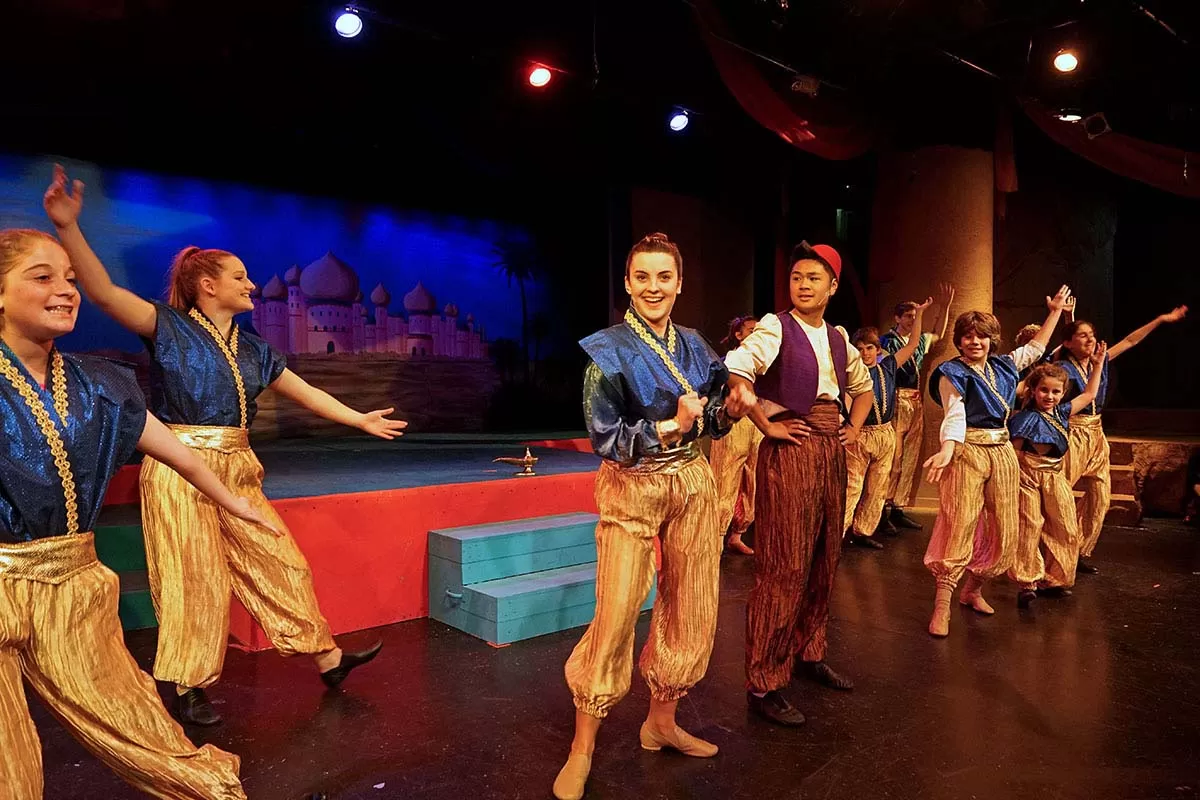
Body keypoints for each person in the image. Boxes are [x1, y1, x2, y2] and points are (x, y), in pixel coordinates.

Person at [44, 166, 407, 727]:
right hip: (179, 464)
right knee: (193, 577)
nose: (251, 284)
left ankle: (327, 658)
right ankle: (188, 684)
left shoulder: (254, 349)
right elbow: (104, 293)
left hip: (238, 463)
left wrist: (358, 418)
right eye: (240, 277)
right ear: (208, 286)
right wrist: (68, 228)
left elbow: (306, 392)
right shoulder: (168, 326)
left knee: (280, 559)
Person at [0, 227, 260, 799]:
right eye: (42, 277)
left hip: (73, 585)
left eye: (70, 279)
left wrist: (234, 502)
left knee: (139, 724)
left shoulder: (99, 384)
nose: (65, 290)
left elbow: (175, 451)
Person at [553, 233, 735, 800]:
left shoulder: (696, 345)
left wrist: (729, 409)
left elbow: (713, 415)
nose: (653, 287)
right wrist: (671, 425)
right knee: (617, 609)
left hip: (692, 481)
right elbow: (605, 437)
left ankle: (660, 723)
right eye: (642, 277)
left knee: (692, 604)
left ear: (679, 284)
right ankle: (582, 746)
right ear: (628, 285)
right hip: (632, 484)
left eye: (663, 277)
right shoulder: (606, 352)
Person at [725, 241, 873, 726]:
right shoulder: (776, 327)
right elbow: (738, 372)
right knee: (784, 564)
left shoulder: (838, 337)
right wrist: (765, 425)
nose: (803, 285)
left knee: (825, 557)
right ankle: (763, 681)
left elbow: (864, 387)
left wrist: (854, 428)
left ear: (832, 286)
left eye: (813, 278)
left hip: (831, 447)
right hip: (792, 447)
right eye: (796, 277)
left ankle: (808, 651)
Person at [922, 286, 1072, 638]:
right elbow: (954, 415)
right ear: (959, 341)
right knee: (960, 522)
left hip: (1002, 450)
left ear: (992, 340)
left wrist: (1055, 312)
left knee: (1005, 527)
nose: (975, 342)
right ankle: (942, 603)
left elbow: (1036, 349)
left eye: (982, 336)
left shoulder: (1003, 366)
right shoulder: (951, 372)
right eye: (968, 336)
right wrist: (947, 449)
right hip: (967, 450)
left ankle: (972, 589)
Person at [1055, 304, 1189, 574]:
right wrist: (1068, 318)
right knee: (1060, 495)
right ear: (1068, 343)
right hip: (1073, 432)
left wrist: (1160, 319)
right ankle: (1055, 551)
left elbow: (1130, 341)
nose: (1091, 339)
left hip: (1096, 433)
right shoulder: (1062, 368)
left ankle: (1078, 550)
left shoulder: (1100, 362)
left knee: (1100, 496)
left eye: (1092, 335)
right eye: (1083, 336)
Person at [1007, 346, 1106, 608]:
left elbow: (1089, 394)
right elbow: (1014, 454)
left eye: (1055, 392)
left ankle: (1053, 580)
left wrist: (1097, 365)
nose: (1049, 396)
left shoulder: (1062, 413)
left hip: (1055, 474)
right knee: (1030, 526)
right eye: (1044, 390)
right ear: (1033, 391)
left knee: (1065, 527)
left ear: (1063, 393)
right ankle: (1027, 582)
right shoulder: (1025, 419)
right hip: (1028, 476)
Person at [844, 306, 930, 550]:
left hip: (884, 432)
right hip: (861, 434)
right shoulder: (851, 374)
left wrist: (919, 316)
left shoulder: (888, 367)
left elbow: (913, 344)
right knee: (853, 486)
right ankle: (838, 533)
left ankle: (863, 530)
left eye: (869, 348)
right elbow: (847, 401)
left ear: (878, 349)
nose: (865, 353)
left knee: (878, 486)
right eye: (860, 349)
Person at [879, 283, 955, 533]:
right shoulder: (886, 341)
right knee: (894, 457)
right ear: (897, 318)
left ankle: (898, 507)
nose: (912, 320)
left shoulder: (920, 340)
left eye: (915, 316)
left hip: (915, 400)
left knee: (910, 456)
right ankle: (881, 507)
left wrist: (944, 307)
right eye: (909, 316)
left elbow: (938, 334)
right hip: (896, 398)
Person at [709, 314, 763, 555]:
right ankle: (716, 538)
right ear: (739, 335)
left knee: (753, 480)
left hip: (757, 425)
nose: (756, 334)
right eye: (751, 330)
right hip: (734, 424)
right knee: (725, 479)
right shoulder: (727, 363)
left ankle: (738, 534)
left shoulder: (763, 363)